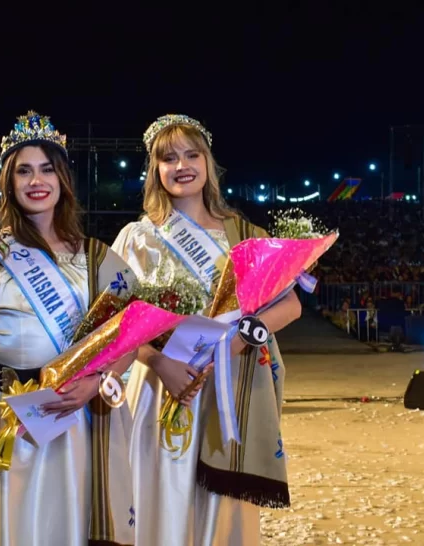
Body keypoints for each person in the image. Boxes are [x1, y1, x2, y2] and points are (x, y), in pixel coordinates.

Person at [0, 111, 136, 546]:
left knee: (73, 524)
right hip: (9, 414)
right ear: (9, 182)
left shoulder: (99, 258)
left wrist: (100, 380)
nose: (35, 180)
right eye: (23, 170)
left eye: (46, 169)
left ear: (62, 180)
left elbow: (130, 338)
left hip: (77, 413)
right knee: (14, 524)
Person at [112, 114, 302, 545]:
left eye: (191, 154)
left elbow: (289, 305)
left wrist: (238, 342)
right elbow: (121, 322)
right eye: (168, 157)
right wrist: (159, 362)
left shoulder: (245, 234)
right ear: (155, 171)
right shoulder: (136, 238)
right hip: (162, 385)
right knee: (160, 494)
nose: (182, 165)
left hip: (230, 384)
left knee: (224, 507)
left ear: (208, 162)